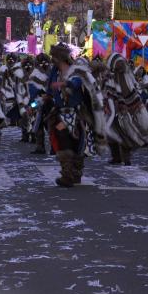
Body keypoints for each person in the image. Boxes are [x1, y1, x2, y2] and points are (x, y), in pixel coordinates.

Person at [47, 44, 106, 187]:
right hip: (60, 113)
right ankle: (67, 174)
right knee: (63, 141)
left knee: (76, 145)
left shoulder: (77, 71)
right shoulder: (54, 72)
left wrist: (63, 84)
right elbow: (49, 90)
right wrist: (42, 100)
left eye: (54, 57)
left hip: (77, 113)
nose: (52, 59)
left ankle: (75, 173)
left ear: (60, 57)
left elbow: (77, 83)